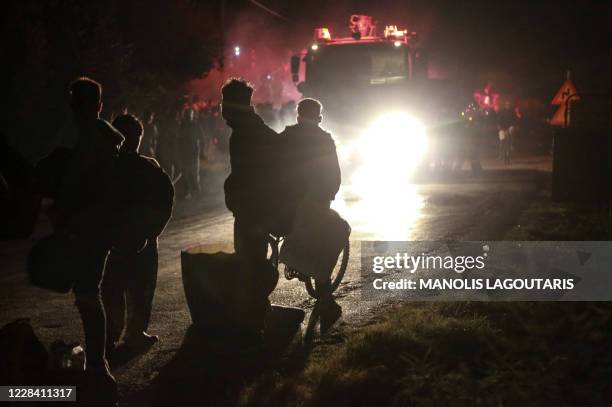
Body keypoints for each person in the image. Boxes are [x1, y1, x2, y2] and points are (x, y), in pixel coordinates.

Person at [53, 77, 124, 400]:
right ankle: (98, 365)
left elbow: (85, 188)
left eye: (76, 103)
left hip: (91, 230)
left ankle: (99, 367)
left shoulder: (91, 141)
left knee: (88, 296)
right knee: (88, 295)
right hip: (96, 228)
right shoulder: (100, 139)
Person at [102, 114, 174, 353]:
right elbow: (165, 201)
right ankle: (135, 333)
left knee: (112, 288)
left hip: (110, 240)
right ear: (139, 138)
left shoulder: (105, 168)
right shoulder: (149, 167)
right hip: (142, 240)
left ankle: (108, 336)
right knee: (141, 288)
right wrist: (151, 232)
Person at [222, 78, 280, 338]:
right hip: (256, 208)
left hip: (253, 210)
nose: (222, 110)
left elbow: (246, 175)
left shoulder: (246, 134)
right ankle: (257, 313)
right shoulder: (255, 129)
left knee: (250, 263)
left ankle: (255, 322)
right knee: (251, 261)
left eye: (225, 103)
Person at [279, 99, 342, 326]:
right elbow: (333, 174)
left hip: (286, 204)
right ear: (319, 118)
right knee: (336, 232)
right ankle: (325, 296)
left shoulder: (285, 137)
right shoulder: (324, 140)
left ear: (297, 116)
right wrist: (329, 195)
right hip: (315, 202)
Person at [177, 108, 203, 199]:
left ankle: (195, 191)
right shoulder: (182, 126)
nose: (189, 116)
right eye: (188, 114)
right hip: (185, 153)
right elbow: (179, 140)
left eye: (190, 114)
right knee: (186, 173)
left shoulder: (195, 125)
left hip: (193, 153)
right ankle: (188, 191)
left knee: (194, 173)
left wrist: (201, 150)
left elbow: (201, 138)